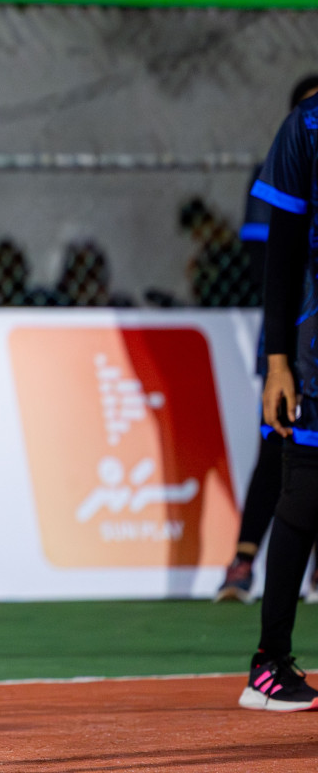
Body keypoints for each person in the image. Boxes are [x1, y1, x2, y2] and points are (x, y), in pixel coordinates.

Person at [216, 74, 318, 606]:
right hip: (295, 337)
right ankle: (243, 562)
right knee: (280, 451)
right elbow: (269, 259)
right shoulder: (284, 160)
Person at [241, 79, 318, 712]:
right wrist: (277, 363)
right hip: (315, 350)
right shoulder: (308, 128)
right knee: (304, 494)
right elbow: (283, 254)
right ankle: (269, 665)